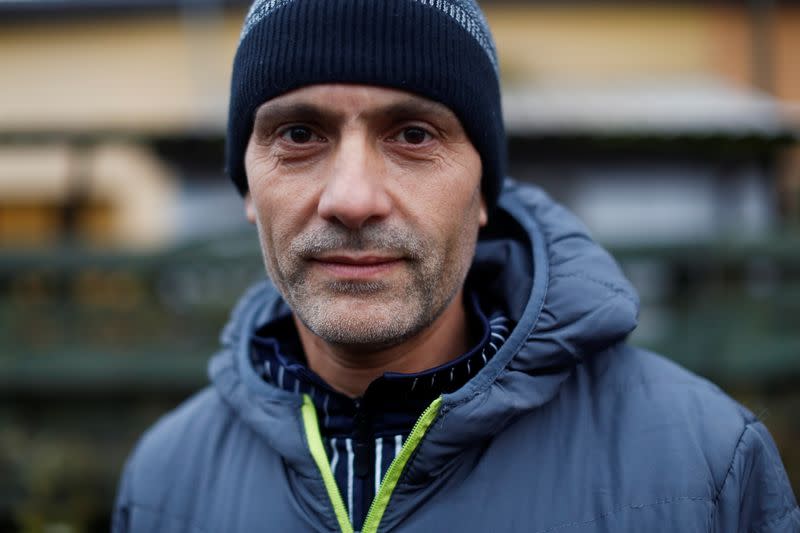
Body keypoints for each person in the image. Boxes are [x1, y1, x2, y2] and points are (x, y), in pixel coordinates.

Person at [112, 0, 799, 531]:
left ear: (482, 193)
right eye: (298, 134)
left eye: (413, 134)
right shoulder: (165, 483)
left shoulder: (705, 464)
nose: (353, 199)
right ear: (248, 190)